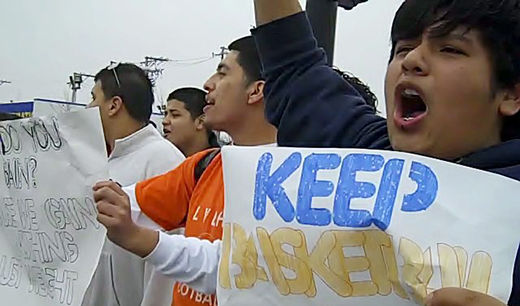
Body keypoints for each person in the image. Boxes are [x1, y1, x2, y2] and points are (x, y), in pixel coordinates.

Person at [250, 0, 520, 304]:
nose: (412, 60)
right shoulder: (369, 157)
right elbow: (295, 70)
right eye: (402, 48)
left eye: (450, 49)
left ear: (511, 94)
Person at [93, 36, 277, 306]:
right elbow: (123, 202)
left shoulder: (295, 182)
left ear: (256, 91)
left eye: (223, 72)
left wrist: (137, 237)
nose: (208, 84)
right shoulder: (205, 166)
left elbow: (231, 266)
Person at [82, 63, 185, 306]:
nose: (87, 107)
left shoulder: (164, 161)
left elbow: (169, 262)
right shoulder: (101, 160)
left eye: (93, 97)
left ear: (114, 105)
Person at [162, 87, 220, 156]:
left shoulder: (222, 164)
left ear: (201, 122)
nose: (164, 121)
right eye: (165, 114)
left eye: (175, 115)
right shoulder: (164, 161)